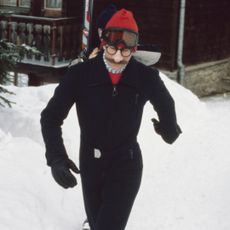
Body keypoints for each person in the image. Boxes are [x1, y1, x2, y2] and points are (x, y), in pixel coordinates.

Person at [40, 8, 182, 230]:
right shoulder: (80, 75)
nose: (118, 58)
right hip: (91, 164)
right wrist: (56, 158)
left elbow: (166, 104)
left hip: (126, 164)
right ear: (103, 43)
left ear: (134, 49)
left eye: (125, 53)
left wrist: (168, 129)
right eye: (112, 50)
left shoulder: (145, 77)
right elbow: (50, 117)